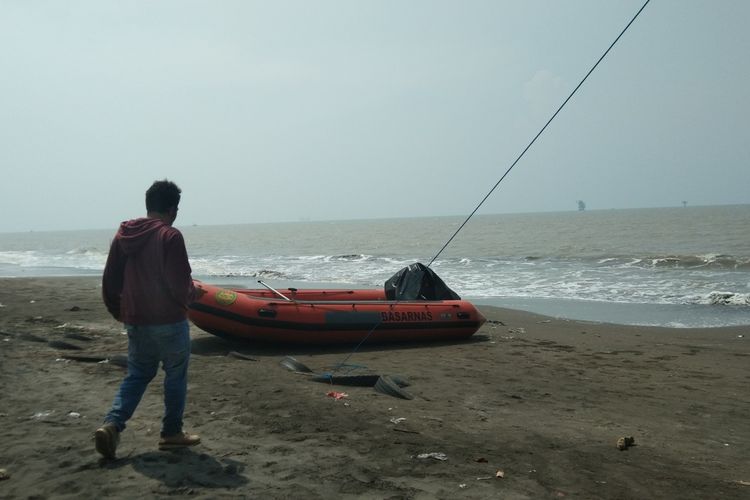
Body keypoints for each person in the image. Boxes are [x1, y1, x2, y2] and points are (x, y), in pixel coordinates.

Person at [95, 180, 200, 459]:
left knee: (138, 374)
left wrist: (118, 310)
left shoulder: (123, 236)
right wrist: (193, 294)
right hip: (168, 320)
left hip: (136, 320)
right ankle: (171, 433)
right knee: (175, 375)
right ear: (172, 209)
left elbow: (110, 279)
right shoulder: (170, 236)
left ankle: (112, 424)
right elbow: (179, 284)